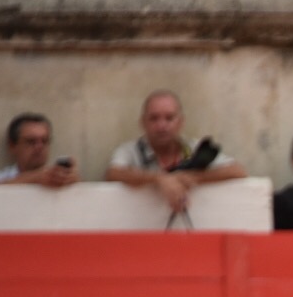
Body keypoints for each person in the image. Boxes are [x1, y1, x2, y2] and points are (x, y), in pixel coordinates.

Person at [105, 90, 247, 214]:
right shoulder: (131, 150)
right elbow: (113, 173)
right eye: (154, 119)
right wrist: (159, 179)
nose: (162, 126)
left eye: (169, 118)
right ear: (143, 123)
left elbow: (237, 171)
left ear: (181, 122)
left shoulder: (194, 148)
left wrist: (192, 177)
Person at [0, 113, 81, 189]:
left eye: (44, 141)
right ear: (12, 146)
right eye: (31, 142)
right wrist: (33, 178)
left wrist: (76, 185)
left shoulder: (58, 178)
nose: (39, 147)